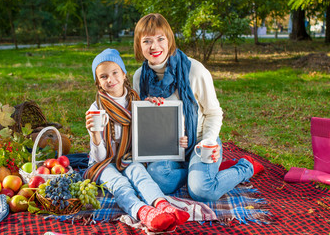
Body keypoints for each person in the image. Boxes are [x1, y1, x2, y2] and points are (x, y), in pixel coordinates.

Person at [133, 13, 264, 202]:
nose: (154, 46)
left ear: (169, 40)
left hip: (200, 142)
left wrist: (208, 140)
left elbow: (214, 113)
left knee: (202, 191)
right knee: (157, 178)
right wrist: (149, 108)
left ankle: (245, 167)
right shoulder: (139, 77)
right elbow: (141, 123)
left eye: (160, 39)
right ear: (139, 45)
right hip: (167, 148)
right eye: (147, 41)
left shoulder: (195, 71)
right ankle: (199, 172)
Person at [83, 48, 190, 232]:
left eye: (115, 72)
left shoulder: (136, 101)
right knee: (120, 183)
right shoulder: (96, 108)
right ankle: (142, 211)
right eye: (103, 76)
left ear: (124, 74)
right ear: (98, 83)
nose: (111, 79)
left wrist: (152, 110)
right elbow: (100, 158)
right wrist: (94, 134)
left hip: (127, 156)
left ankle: (163, 205)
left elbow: (150, 133)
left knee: (140, 174)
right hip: (103, 163)